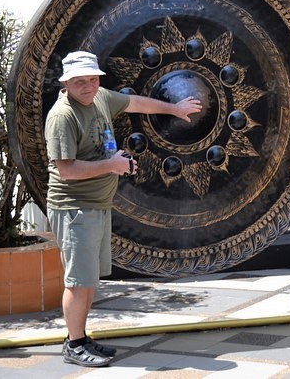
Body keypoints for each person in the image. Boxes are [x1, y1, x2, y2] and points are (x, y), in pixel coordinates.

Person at [45, 50, 202, 368]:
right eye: (80, 81)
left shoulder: (100, 97)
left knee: (88, 280)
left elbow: (136, 103)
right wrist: (112, 165)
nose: (88, 86)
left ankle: (81, 337)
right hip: (74, 208)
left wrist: (174, 109)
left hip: (96, 206)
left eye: (92, 79)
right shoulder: (63, 116)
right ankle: (74, 345)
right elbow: (67, 170)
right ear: (66, 83)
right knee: (77, 281)